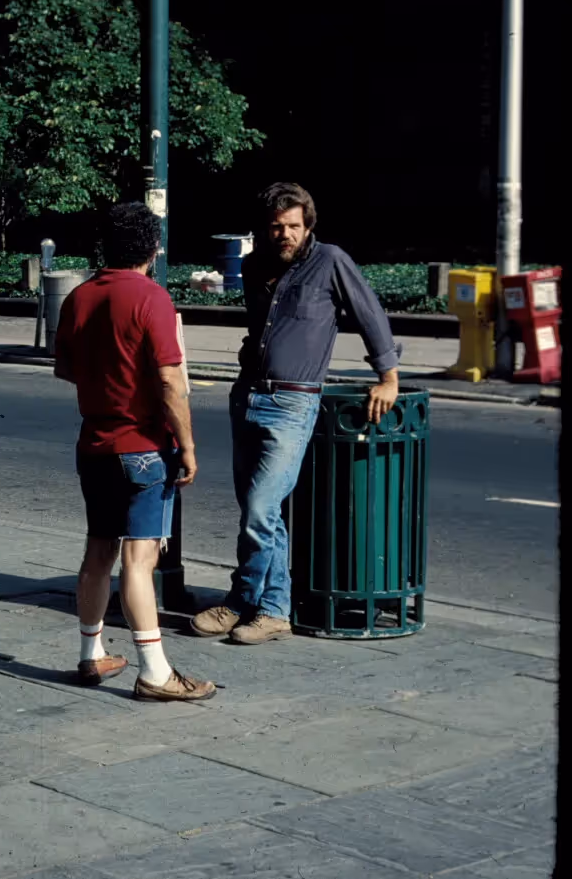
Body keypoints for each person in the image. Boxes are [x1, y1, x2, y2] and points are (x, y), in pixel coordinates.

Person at [192, 183, 400, 644]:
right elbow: (259, 328)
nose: (284, 234)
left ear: (308, 226)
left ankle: (243, 599)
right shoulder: (251, 267)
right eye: (276, 227)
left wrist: (388, 376)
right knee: (261, 511)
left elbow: (370, 314)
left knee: (261, 510)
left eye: (292, 226)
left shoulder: (330, 262)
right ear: (263, 229)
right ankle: (275, 609)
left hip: (293, 402)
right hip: (248, 396)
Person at [54, 202, 216, 702]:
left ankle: (91, 654)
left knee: (97, 552)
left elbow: (66, 369)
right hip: (144, 445)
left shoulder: (78, 298)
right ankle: (155, 671)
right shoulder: (152, 298)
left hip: (94, 443)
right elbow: (170, 380)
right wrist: (186, 445)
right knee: (139, 560)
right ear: (152, 249)